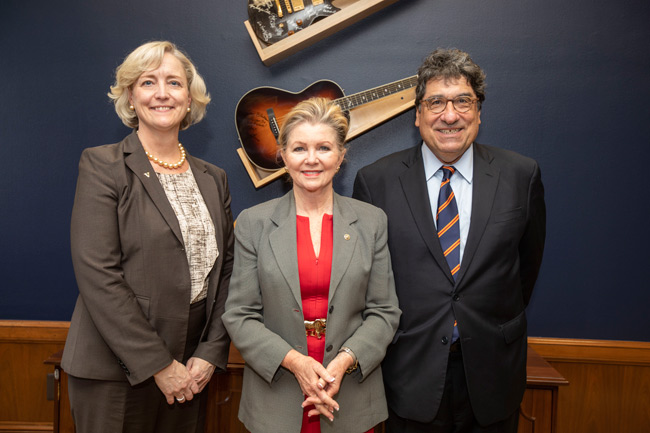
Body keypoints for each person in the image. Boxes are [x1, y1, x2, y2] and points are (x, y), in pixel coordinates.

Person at [353, 48, 546, 433]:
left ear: (478, 112)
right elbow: (366, 283)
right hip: (409, 374)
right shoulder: (375, 182)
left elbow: (526, 269)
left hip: (493, 375)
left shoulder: (520, 176)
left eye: (463, 101)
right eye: (436, 102)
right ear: (418, 114)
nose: (450, 114)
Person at [61, 41, 234, 433]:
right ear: (130, 96)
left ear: (189, 99)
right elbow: (98, 274)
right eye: (147, 82)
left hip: (191, 371)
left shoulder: (213, 178)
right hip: (114, 370)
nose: (161, 93)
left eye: (173, 83)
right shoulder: (102, 165)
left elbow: (227, 273)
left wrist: (209, 352)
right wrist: (158, 364)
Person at [222, 97, 401, 433]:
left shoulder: (372, 221)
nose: (312, 159)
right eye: (300, 148)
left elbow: (384, 311)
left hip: (350, 396)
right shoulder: (253, 223)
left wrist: (344, 360)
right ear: (283, 155)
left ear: (341, 156)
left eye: (324, 148)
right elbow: (240, 314)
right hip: (277, 399)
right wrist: (296, 363)